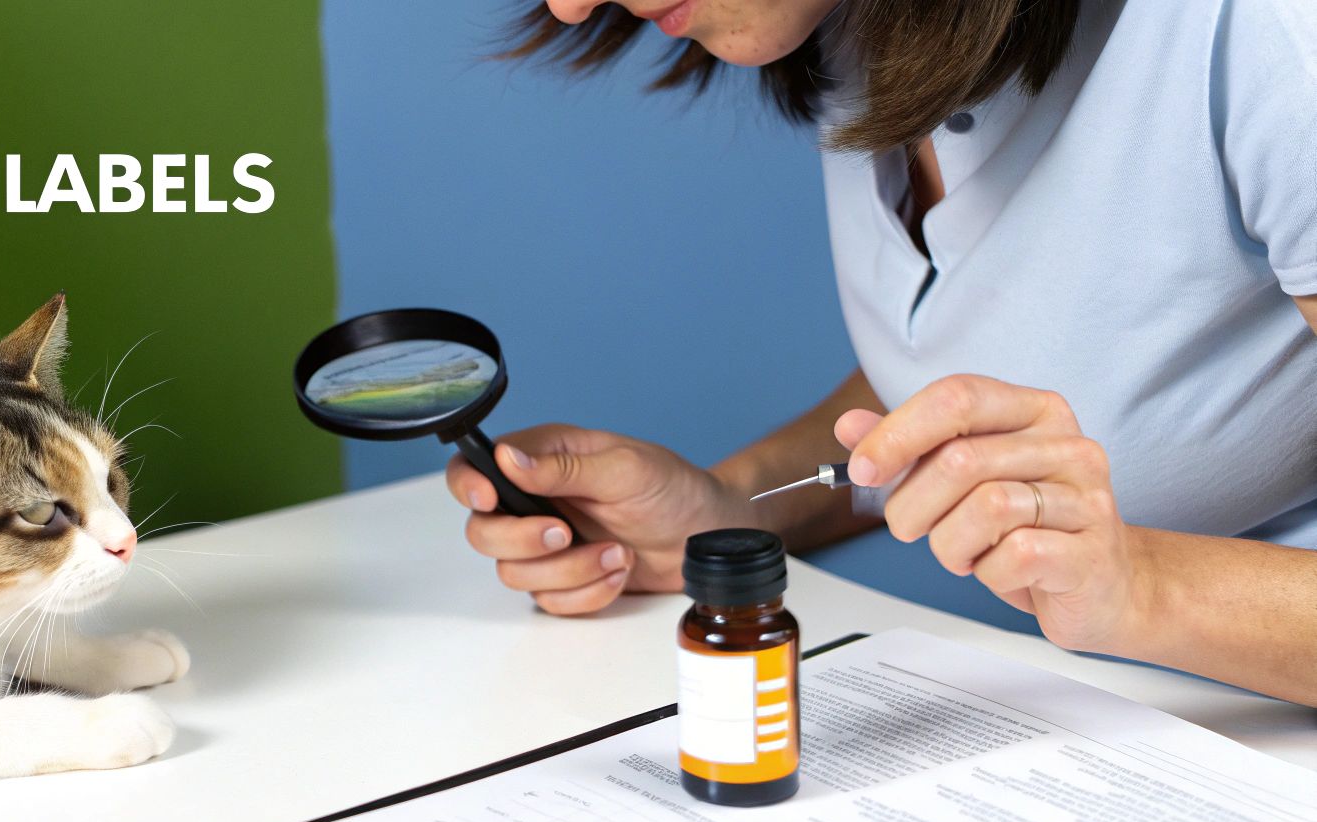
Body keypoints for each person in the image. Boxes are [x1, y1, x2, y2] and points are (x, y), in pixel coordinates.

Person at [446, 0, 1317, 704]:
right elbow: (985, 373)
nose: (569, 7)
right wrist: (735, 511)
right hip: (1104, 721)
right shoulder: (855, 22)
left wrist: (1141, 590)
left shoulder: (1271, 37)